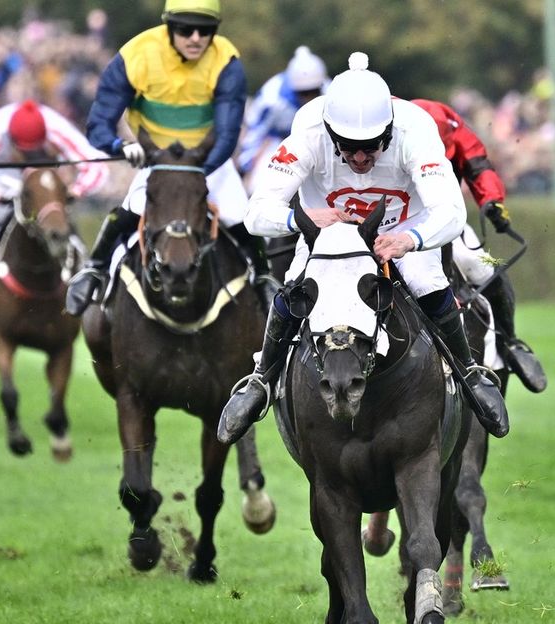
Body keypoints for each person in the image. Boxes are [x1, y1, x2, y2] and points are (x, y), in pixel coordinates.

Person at [217, 52, 509, 444]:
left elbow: (452, 213)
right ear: (329, 133)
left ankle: (469, 371)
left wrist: (411, 240)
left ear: (388, 131)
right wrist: (301, 220)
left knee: (427, 279)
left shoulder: (415, 130)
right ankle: (262, 380)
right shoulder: (307, 131)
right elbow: (256, 212)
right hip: (331, 233)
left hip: (402, 228)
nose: (358, 158)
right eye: (347, 147)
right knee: (292, 284)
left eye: (371, 146)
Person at [64, 0, 276, 316]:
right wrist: (119, 146)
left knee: (240, 218)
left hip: (208, 165)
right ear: (168, 27)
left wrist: (195, 170)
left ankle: (263, 279)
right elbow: (99, 123)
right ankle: (95, 271)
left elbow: (228, 132)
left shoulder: (227, 60)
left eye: (205, 30)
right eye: (185, 29)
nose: (195, 38)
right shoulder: (135, 55)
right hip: (158, 164)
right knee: (126, 213)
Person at [410, 98, 547, 394]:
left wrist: (492, 201)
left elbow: (478, 167)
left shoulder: (452, 127)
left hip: (445, 224)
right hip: (393, 223)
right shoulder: (391, 129)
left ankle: (510, 342)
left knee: (484, 267)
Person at [0, 99, 109, 299]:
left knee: (57, 215)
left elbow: (97, 166)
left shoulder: (57, 128)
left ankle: (85, 268)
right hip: (6, 176)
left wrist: (75, 191)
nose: (28, 155)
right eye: (25, 150)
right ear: (11, 139)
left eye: (34, 150)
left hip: (44, 176)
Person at [238, 46, 329, 191]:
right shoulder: (271, 98)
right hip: (277, 141)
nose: (309, 98)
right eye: (304, 93)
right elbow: (256, 131)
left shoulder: (329, 92)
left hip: (318, 139)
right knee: (261, 184)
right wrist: (245, 165)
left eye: (314, 92)